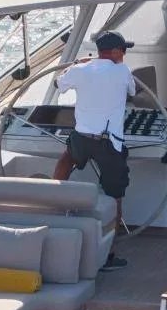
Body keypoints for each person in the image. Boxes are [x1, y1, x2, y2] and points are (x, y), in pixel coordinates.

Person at [51, 29, 136, 270]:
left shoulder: (80, 70)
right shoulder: (123, 71)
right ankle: (108, 255)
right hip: (108, 143)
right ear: (116, 52)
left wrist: (78, 64)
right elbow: (132, 92)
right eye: (124, 50)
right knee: (115, 194)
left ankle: (52, 203)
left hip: (82, 138)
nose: (124, 54)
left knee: (66, 159)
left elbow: (58, 83)